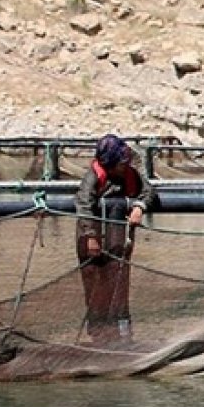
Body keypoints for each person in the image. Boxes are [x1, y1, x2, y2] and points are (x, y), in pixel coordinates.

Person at [74, 134, 157, 348]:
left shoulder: (130, 174)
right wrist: (91, 236)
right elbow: (83, 205)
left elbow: (149, 192)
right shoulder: (93, 177)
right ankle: (99, 335)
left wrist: (139, 207)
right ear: (108, 164)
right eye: (121, 163)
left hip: (118, 239)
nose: (125, 165)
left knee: (119, 285)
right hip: (92, 241)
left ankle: (122, 335)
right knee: (96, 289)